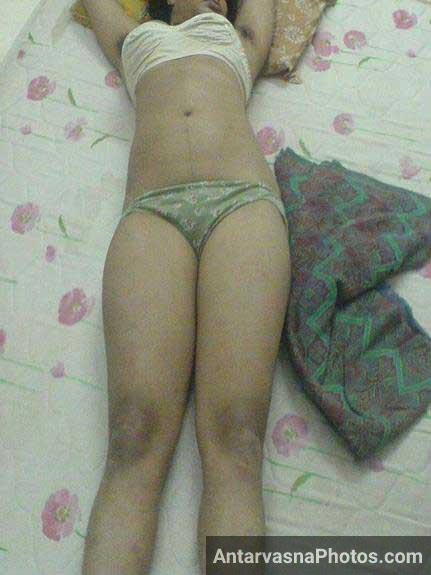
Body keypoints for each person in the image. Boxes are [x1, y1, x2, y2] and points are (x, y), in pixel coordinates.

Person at [80, 1, 291, 573]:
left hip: (241, 205)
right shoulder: (136, 40)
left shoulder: (237, 39)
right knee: (132, 435)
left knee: (238, 437)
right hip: (153, 213)